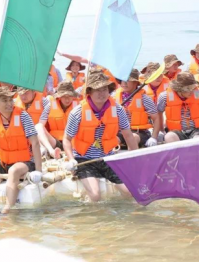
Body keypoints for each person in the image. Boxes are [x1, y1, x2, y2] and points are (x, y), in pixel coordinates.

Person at [63, 70, 138, 202]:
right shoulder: (77, 112)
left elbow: (128, 135)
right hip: (84, 160)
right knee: (96, 196)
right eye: (97, 90)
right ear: (89, 92)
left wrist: (136, 159)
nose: (101, 93)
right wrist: (71, 159)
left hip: (108, 158)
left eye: (104, 89)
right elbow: (67, 139)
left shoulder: (118, 110)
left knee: (130, 192)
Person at [157, 72, 199, 142]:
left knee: (197, 140)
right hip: (177, 131)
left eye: (193, 88)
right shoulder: (164, 96)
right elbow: (159, 113)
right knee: (169, 136)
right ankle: (178, 152)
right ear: (179, 89)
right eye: (188, 89)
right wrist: (161, 130)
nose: (191, 91)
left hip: (198, 130)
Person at [114, 69, 160, 147]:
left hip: (140, 132)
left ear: (135, 82)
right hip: (122, 131)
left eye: (127, 80)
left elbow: (156, 118)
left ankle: (131, 157)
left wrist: (154, 137)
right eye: (122, 80)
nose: (124, 83)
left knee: (133, 138)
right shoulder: (114, 97)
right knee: (114, 141)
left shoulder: (144, 98)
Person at [36, 81, 79, 159]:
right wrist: (42, 145)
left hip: (72, 142)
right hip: (55, 142)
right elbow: (40, 126)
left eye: (69, 96)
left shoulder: (79, 107)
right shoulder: (50, 105)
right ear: (59, 96)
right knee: (38, 126)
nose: (67, 99)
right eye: (64, 96)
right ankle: (51, 151)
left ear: (73, 96)